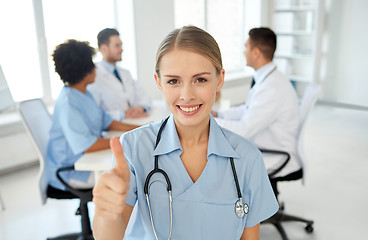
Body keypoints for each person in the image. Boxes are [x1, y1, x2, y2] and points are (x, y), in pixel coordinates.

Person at [92, 26, 278, 240]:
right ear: (159, 82)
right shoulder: (135, 147)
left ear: (219, 80)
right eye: (173, 81)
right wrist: (106, 214)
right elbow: (108, 237)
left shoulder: (247, 158)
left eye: (200, 79)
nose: (187, 95)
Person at [47, 40, 140, 191]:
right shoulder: (68, 103)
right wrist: (127, 139)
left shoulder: (84, 93)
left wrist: (140, 129)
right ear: (85, 70)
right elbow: (89, 146)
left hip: (88, 160)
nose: (95, 67)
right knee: (130, 176)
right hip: (74, 171)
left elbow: (107, 121)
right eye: (92, 64)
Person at [212, 27, 300, 178]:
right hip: (267, 143)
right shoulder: (270, 79)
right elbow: (247, 109)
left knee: (218, 163)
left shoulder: (271, 88)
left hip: (274, 153)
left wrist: (210, 121)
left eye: (246, 47)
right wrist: (219, 114)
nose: (243, 52)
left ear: (256, 52)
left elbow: (244, 130)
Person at [87, 28, 152, 121]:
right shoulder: (93, 76)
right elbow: (94, 112)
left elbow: (144, 95)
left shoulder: (125, 73)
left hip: (134, 122)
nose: (121, 49)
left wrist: (141, 107)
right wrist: (123, 114)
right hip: (113, 128)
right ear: (103, 49)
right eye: (117, 46)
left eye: (121, 45)